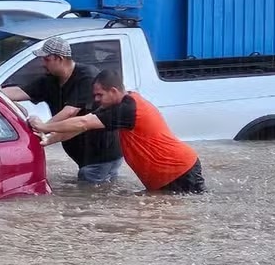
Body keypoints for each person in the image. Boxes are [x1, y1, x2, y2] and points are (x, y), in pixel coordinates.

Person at [28, 69, 206, 194]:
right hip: (168, 175)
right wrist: (47, 140)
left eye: (99, 95)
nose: (96, 100)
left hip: (179, 172)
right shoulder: (117, 105)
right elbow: (81, 127)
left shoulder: (127, 109)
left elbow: (82, 122)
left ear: (113, 91)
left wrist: (44, 126)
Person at [1, 37, 122, 185]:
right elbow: (18, 92)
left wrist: (42, 129)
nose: (42, 63)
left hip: (102, 156)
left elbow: (70, 111)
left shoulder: (87, 76)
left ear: (59, 58)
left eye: (46, 59)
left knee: (86, 199)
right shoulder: (50, 80)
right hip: (84, 157)